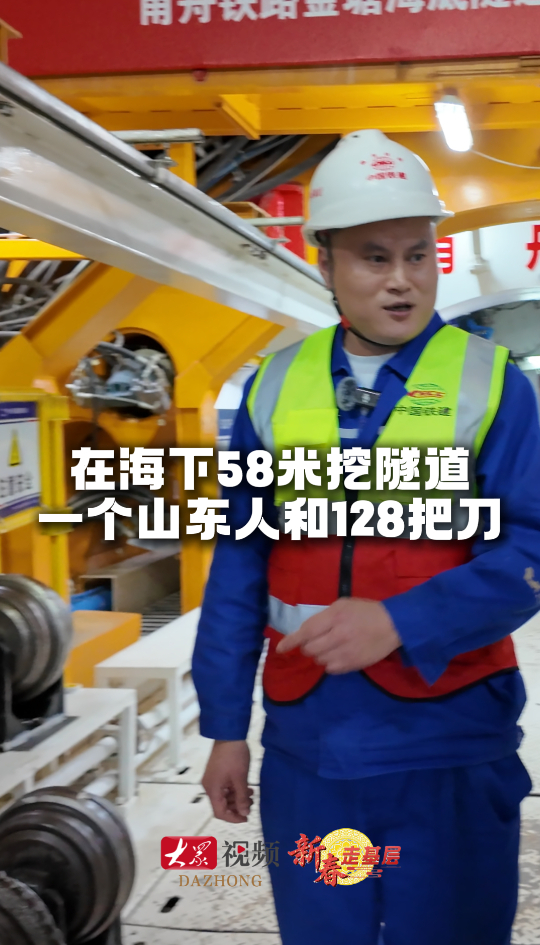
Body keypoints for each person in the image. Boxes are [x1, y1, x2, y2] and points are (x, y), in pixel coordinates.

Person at [192, 129, 540, 945]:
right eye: (373, 257)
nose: (401, 279)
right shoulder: (276, 386)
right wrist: (224, 729)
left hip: (450, 741)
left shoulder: (493, 385)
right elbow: (240, 561)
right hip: (312, 751)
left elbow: (531, 547)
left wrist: (403, 620)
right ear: (326, 264)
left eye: (418, 255)